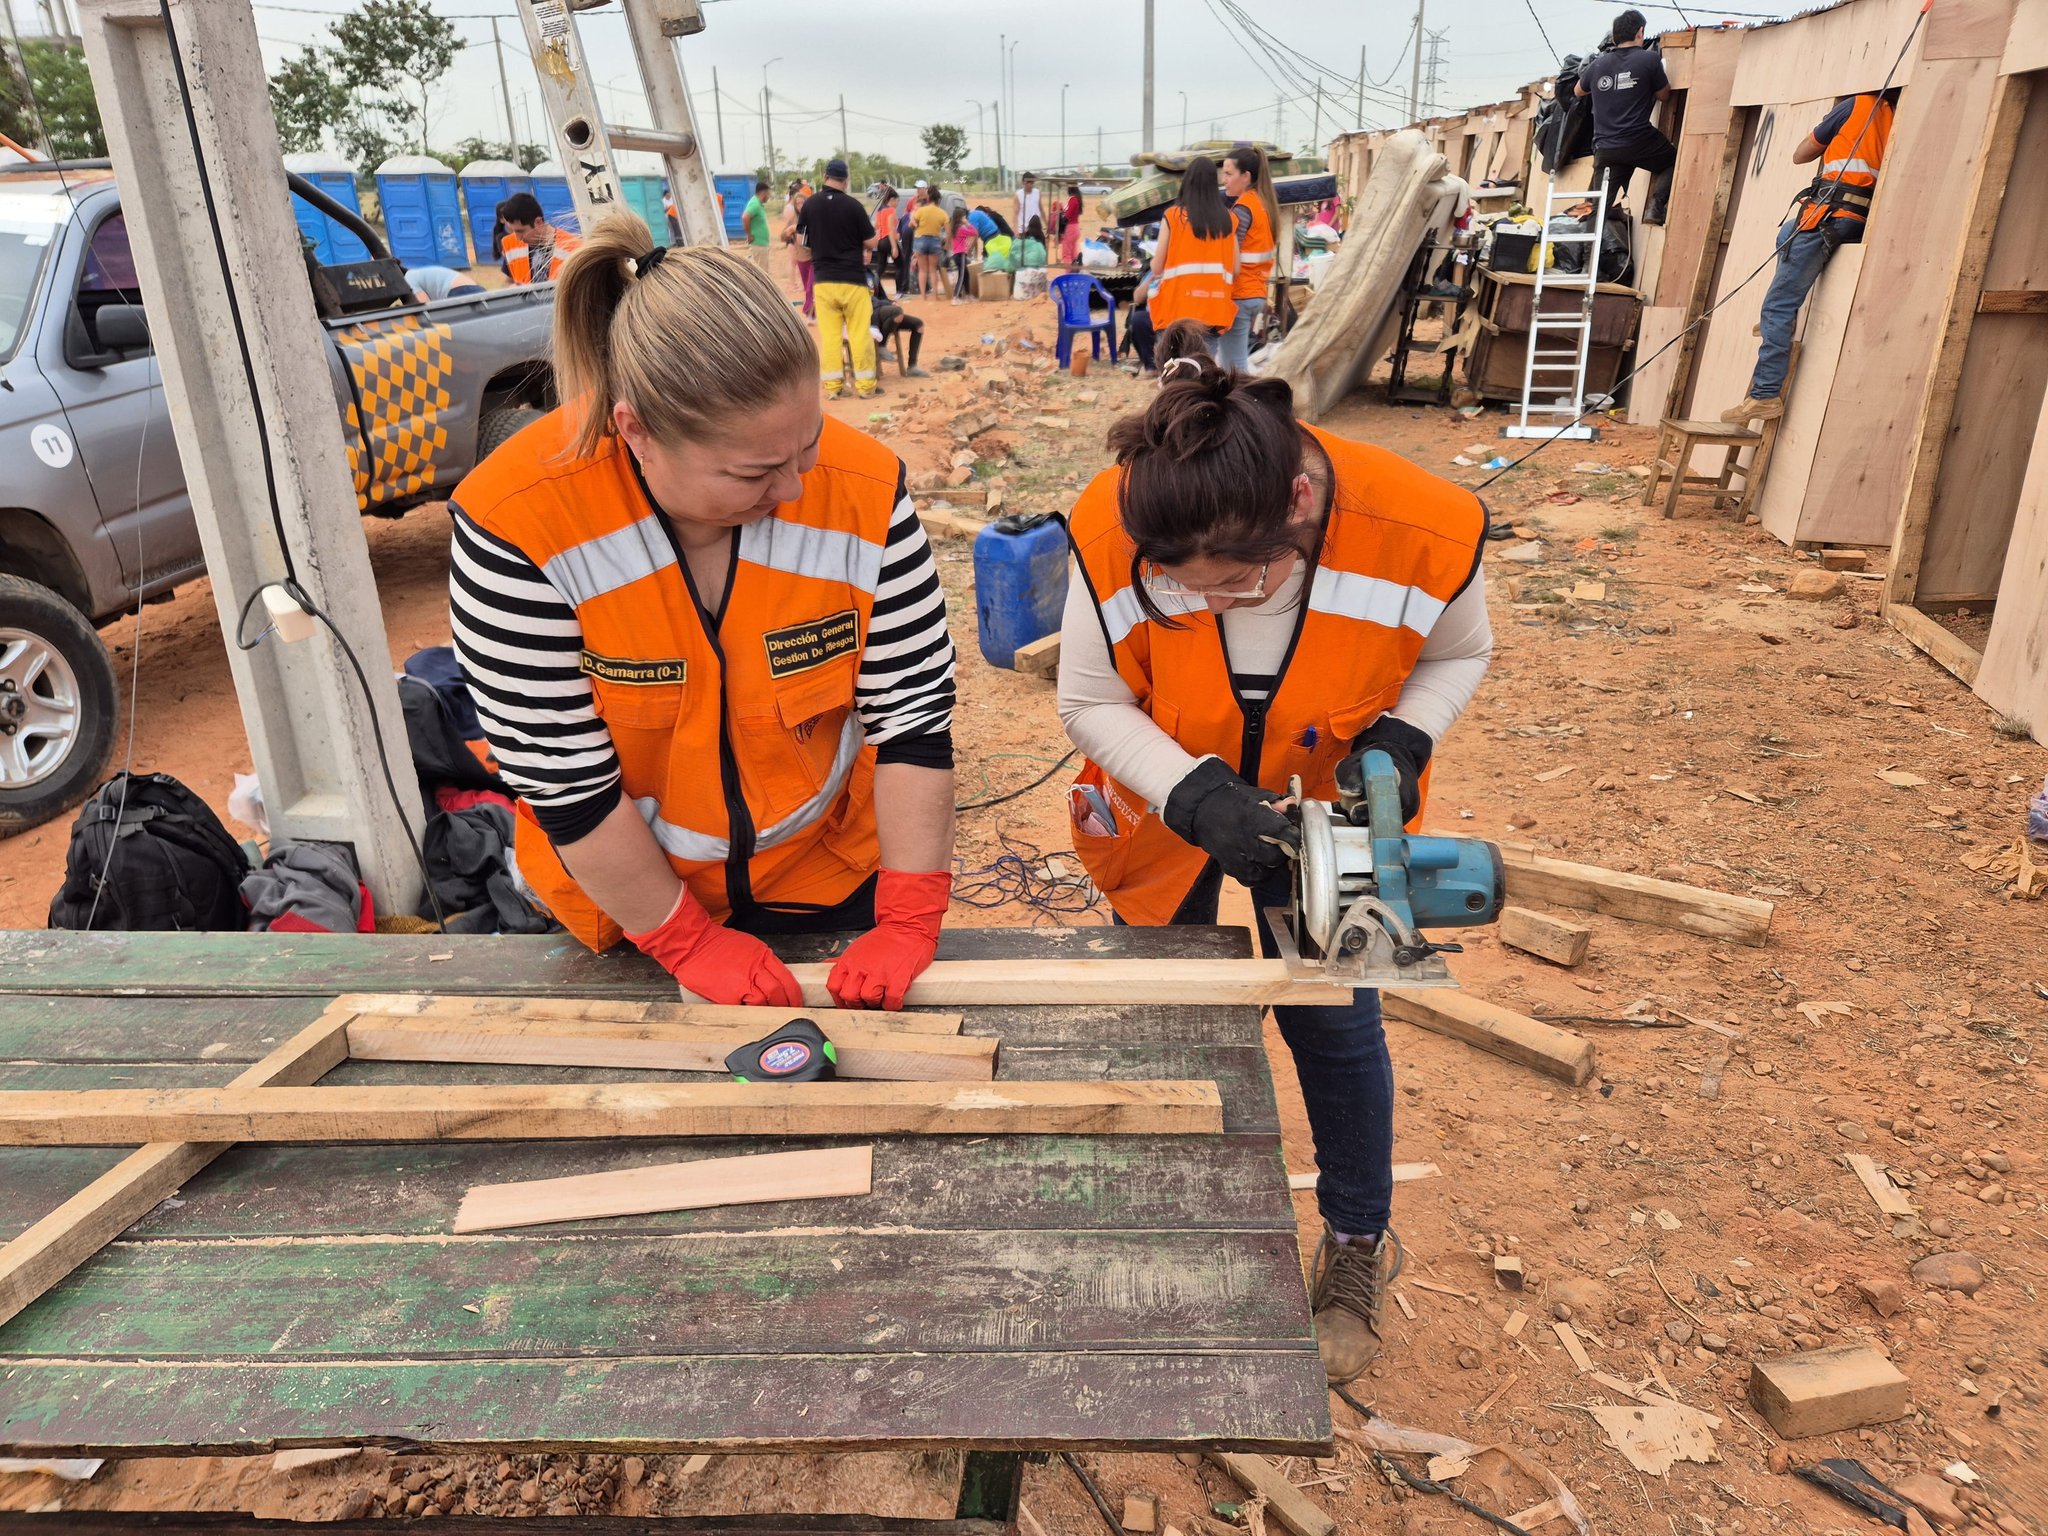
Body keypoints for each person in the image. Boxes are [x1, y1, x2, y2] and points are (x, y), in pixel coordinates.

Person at [1056, 352, 1491, 1384]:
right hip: (1167, 807)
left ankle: (1351, 1241)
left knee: (1336, 1027)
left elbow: (1458, 652)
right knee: (1174, 1021)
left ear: (1297, 505)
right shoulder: (1112, 519)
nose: (1208, 605)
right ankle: (1182, 1225)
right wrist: (1194, 795)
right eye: (1180, 589)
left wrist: (1403, 736)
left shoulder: (1421, 527)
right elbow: (1087, 697)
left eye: (1238, 584)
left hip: (1332, 804)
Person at [448, 217, 958, 1009]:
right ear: (637, 430)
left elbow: (914, 722)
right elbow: (566, 784)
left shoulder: (864, 490)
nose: (793, 491)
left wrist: (908, 916)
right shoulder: (520, 524)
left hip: (826, 876)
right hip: (633, 908)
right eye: (753, 472)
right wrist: (684, 940)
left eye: (808, 446)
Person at [1721, 88, 1897, 425]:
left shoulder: (1854, 106)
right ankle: (1775, 324)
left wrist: (1828, 134)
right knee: (1786, 234)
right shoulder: (1893, 113)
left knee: (1779, 304)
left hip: (1827, 215)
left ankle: (1765, 394)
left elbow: (1801, 154)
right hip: (1855, 219)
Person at [1574, 9, 1674, 222]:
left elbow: (1578, 91)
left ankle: (1587, 253)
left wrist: (1606, 87)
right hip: (1639, 140)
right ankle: (1655, 208)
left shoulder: (1598, 64)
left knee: (1597, 209)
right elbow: (1664, 95)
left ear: (1614, 37)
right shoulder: (1650, 59)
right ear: (1640, 32)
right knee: (1672, 161)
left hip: (1606, 148)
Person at [797, 158, 882, 399]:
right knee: (859, 335)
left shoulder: (810, 205)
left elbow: (804, 243)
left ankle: (833, 388)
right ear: (845, 181)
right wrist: (873, 235)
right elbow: (870, 242)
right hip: (852, 280)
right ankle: (866, 388)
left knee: (831, 337)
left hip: (823, 282)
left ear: (825, 178)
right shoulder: (854, 206)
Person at [1145, 156, 1237, 350]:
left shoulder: (1174, 216)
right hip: (1214, 311)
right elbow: (1236, 269)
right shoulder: (1228, 220)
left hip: (1177, 311)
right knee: (1203, 375)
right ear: (1214, 184)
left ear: (1187, 182)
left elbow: (1157, 266)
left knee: (1173, 374)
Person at [1218, 146, 1280, 373]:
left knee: (1234, 370)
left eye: (1228, 174)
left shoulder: (1242, 209)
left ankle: (1245, 407)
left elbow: (1230, 258)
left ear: (1246, 177)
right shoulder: (1262, 205)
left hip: (1239, 295)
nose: (1224, 180)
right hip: (1255, 293)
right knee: (1234, 364)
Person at [498, 192, 582, 283]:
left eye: (520, 231)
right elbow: (508, 282)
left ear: (538, 222)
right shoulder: (511, 244)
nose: (518, 238)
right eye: (512, 230)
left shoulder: (574, 248)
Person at [867, 265, 928, 376]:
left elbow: (882, 297)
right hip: (870, 314)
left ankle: (912, 366)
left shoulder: (873, 275)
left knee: (918, 325)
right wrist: (887, 304)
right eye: (863, 251)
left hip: (882, 311)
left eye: (869, 251)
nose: (866, 255)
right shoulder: (854, 276)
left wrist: (890, 302)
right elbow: (866, 300)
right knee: (897, 312)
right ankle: (882, 345)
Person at [909, 184, 952, 300]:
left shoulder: (921, 210)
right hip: (934, 241)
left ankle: (923, 296)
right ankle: (935, 295)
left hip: (920, 240)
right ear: (938, 200)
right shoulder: (942, 213)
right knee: (933, 270)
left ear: (928, 198)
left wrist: (914, 222)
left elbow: (911, 223)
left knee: (922, 270)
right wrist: (947, 245)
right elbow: (948, 232)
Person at [782, 180, 816, 320]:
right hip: (801, 258)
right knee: (808, 288)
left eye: (803, 203)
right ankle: (813, 312)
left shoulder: (812, 217)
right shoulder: (793, 219)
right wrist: (790, 231)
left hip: (813, 257)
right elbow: (783, 237)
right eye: (798, 203)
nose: (800, 206)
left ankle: (808, 312)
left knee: (810, 288)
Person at [871, 185, 900, 292]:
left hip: (880, 241)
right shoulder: (891, 211)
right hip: (889, 239)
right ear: (892, 200)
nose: (897, 203)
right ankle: (900, 291)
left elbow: (876, 226)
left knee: (881, 266)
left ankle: (873, 286)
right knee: (900, 265)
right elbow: (891, 229)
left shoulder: (879, 211)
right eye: (897, 201)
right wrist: (894, 247)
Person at [742, 179, 774, 277]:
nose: (769, 196)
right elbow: (745, 217)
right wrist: (749, 234)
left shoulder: (758, 204)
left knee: (762, 270)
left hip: (761, 243)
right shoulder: (755, 204)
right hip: (758, 243)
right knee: (762, 273)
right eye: (768, 194)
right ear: (763, 193)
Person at [407, 265, 485, 302]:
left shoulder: (408, 278)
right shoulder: (415, 273)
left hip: (459, 291)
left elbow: (425, 306)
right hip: (474, 288)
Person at [948, 204, 977, 303]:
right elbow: (974, 232)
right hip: (960, 255)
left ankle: (968, 295)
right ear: (960, 218)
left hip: (957, 254)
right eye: (964, 217)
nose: (966, 218)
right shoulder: (961, 229)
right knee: (962, 276)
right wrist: (968, 223)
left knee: (966, 275)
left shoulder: (954, 228)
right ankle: (955, 297)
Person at [1060, 182, 1084, 268]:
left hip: (1070, 227)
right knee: (1073, 252)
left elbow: (1068, 216)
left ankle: (1068, 275)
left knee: (1067, 254)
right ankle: (1075, 271)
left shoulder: (1073, 199)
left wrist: (1062, 219)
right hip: (1076, 227)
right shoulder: (1077, 198)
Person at [1014, 171, 1042, 238]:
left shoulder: (1037, 193)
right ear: (1024, 182)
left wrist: (1047, 225)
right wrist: (1016, 231)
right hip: (1023, 230)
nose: (1032, 185)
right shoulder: (1018, 195)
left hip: (1036, 229)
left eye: (1033, 183)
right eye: (1030, 183)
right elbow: (1015, 214)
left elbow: (1041, 209)